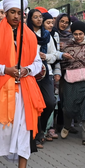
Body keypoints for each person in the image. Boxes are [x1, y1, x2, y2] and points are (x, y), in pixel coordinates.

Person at [0, 0, 46, 168]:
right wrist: (5, 69)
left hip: (25, 90)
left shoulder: (30, 36)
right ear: (6, 13)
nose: (17, 16)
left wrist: (27, 70)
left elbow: (38, 63)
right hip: (2, 87)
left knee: (25, 131)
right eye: (13, 12)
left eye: (20, 13)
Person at [28, 9, 58, 149]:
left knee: (50, 102)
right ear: (30, 19)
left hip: (45, 73)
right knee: (33, 105)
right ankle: (34, 136)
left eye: (40, 17)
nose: (39, 20)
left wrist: (46, 57)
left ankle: (41, 131)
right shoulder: (25, 34)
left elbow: (54, 54)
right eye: (35, 17)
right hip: (29, 74)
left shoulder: (47, 35)